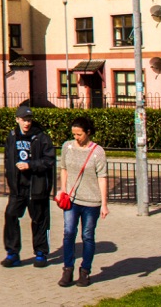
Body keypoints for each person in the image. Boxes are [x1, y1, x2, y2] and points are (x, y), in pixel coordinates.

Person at [2, 104, 56, 268]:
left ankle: (41, 253)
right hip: (18, 188)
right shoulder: (12, 136)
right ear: (17, 119)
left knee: (40, 220)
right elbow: (7, 158)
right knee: (11, 216)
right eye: (24, 120)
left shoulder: (41, 137)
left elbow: (49, 160)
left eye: (29, 120)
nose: (27, 123)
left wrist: (31, 165)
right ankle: (12, 253)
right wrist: (10, 176)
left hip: (36, 187)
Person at [57, 116, 108, 288]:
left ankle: (85, 271)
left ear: (88, 133)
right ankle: (67, 269)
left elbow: (102, 178)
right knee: (69, 232)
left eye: (79, 134)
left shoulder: (97, 152)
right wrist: (62, 190)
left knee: (87, 236)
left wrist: (104, 204)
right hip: (71, 200)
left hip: (91, 201)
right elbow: (63, 168)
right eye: (74, 134)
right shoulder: (67, 147)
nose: (76, 137)